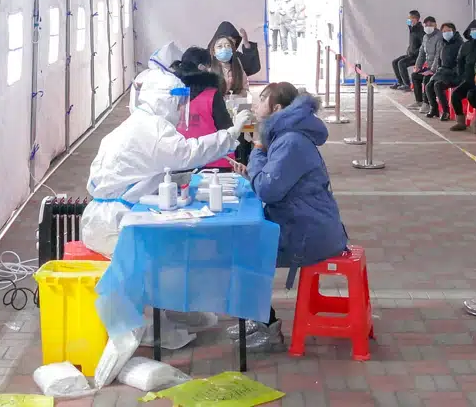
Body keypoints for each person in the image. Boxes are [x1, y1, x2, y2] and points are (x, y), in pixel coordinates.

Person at [81, 42, 252, 257]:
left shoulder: (137, 122)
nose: (181, 109)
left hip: (105, 219)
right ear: (166, 100)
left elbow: (142, 169)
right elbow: (189, 153)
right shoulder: (153, 129)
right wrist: (231, 133)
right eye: (178, 104)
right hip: (115, 223)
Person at [240, 81, 350, 348]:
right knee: (243, 245)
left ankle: (267, 326)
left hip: (307, 232)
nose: (255, 105)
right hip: (303, 222)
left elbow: (267, 189)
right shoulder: (286, 135)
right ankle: (257, 315)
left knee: (241, 250)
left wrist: (257, 151)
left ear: (277, 108)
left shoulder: (290, 141)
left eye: (261, 100)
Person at [174, 46, 235, 170]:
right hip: (213, 162)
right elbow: (227, 129)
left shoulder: (173, 94)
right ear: (202, 67)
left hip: (179, 160)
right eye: (209, 66)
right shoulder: (212, 95)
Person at [446, 19, 476, 129]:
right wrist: (461, 76)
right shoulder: (466, 46)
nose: (474, 32)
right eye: (472, 30)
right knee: (455, 95)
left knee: (473, 95)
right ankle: (460, 121)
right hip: (469, 79)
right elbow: (460, 62)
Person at [424, 22, 462, 118]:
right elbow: (440, 60)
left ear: (454, 31)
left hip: (455, 74)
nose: (446, 33)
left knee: (438, 85)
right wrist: (437, 70)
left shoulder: (460, 44)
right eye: (444, 31)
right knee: (428, 86)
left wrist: (452, 72)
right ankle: (434, 109)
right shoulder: (443, 44)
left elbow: (460, 63)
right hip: (443, 72)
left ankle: (446, 111)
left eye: (448, 31)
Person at [410, 16, 442, 109]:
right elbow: (421, 53)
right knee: (415, 75)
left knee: (426, 78)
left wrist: (432, 70)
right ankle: (419, 101)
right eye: (426, 25)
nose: (428, 27)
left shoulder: (439, 37)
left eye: (430, 25)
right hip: (429, 67)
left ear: (435, 25)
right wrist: (417, 66)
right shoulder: (425, 37)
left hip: (438, 68)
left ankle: (427, 103)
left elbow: (438, 55)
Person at [392, 10, 423, 90]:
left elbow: (423, 45)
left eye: (410, 18)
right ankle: (400, 82)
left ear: (415, 19)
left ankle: (407, 85)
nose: (408, 20)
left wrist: (415, 52)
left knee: (401, 63)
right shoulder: (412, 28)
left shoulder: (420, 30)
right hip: (410, 54)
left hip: (416, 56)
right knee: (395, 62)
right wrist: (409, 49)